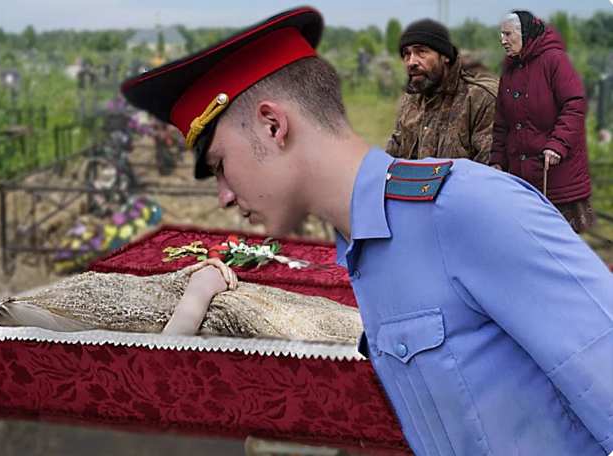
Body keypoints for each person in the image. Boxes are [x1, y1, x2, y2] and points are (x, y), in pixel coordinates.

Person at [120, 7, 613, 456]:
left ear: (272, 126)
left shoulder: (469, 208)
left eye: (221, 165)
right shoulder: (365, 249)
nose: (224, 196)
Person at [0, 250, 363, 345]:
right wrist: (199, 288)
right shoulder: (13, 320)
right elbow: (156, 352)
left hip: (233, 302)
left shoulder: (11, 306)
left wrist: (185, 278)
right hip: (234, 317)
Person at [490, 11, 596, 234]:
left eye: (508, 34)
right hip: (521, 176)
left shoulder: (554, 60)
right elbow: (501, 124)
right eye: (501, 34)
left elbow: (574, 104)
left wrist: (558, 144)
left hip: (557, 175)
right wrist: (497, 160)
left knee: (562, 242)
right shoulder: (509, 71)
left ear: (525, 35)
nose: (502, 40)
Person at [386, 19, 498, 164]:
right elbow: (392, 158)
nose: (412, 62)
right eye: (407, 54)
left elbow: (488, 170)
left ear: (445, 56)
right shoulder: (411, 99)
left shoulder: (480, 100)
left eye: (421, 52)